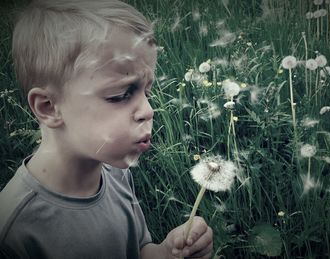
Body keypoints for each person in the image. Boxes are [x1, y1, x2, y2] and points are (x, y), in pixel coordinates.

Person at [0, 0, 213, 258]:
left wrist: (167, 252)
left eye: (147, 91)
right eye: (121, 94)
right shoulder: (13, 230)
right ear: (49, 107)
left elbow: (139, 250)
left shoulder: (115, 174)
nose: (148, 111)